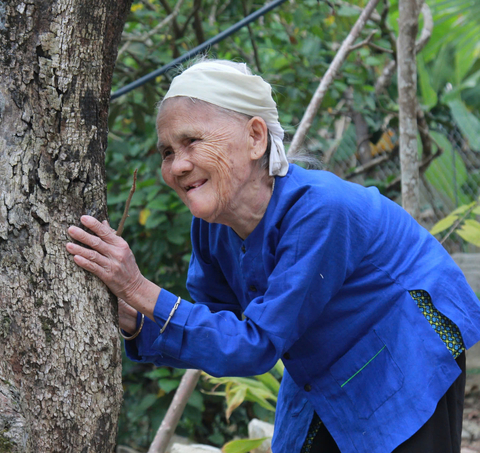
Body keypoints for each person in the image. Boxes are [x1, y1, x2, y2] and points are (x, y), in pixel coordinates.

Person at [65, 60, 480, 453]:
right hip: (320, 353)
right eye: (167, 152)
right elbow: (219, 333)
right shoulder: (211, 226)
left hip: (405, 340)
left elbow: (255, 345)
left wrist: (138, 287)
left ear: (256, 137)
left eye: (192, 141)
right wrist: (135, 319)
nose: (177, 166)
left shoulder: (319, 211)